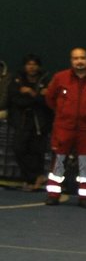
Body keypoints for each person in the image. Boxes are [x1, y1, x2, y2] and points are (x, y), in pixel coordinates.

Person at [42, 47, 86, 208]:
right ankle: (53, 194)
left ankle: (84, 197)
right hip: (64, 127)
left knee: (84, 163)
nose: (79, 61)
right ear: (71, 61)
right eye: (76, 58)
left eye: (82, 58)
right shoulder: (60, 78)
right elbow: (50, 98)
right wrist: (63, 113)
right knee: (59, 161)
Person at [6, 55, 51, 191]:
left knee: (36, 151)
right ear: (25, 66)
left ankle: (34, 179)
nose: (31, 67)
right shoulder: (17, 79)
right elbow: (15, 99)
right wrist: (37, 97)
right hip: (22, 120)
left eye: (34, 64)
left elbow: (47, 101)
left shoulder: (46, 80)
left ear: (39, 66)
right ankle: (31, 177)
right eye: (29, 64)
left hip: (40, 121)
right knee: (19, 148)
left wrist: (31, 93)